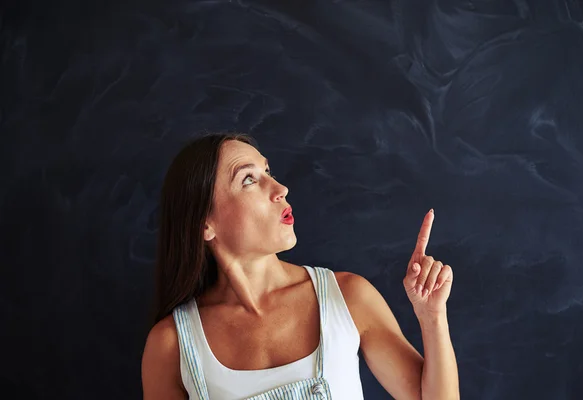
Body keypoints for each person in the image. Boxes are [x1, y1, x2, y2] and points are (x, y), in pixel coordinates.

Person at [141, 132, 459, 400]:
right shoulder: (172, 345)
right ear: (205, 223)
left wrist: (432, 318)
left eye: (269, 172)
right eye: (249, 180)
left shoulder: (346, 297)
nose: (280, 190)